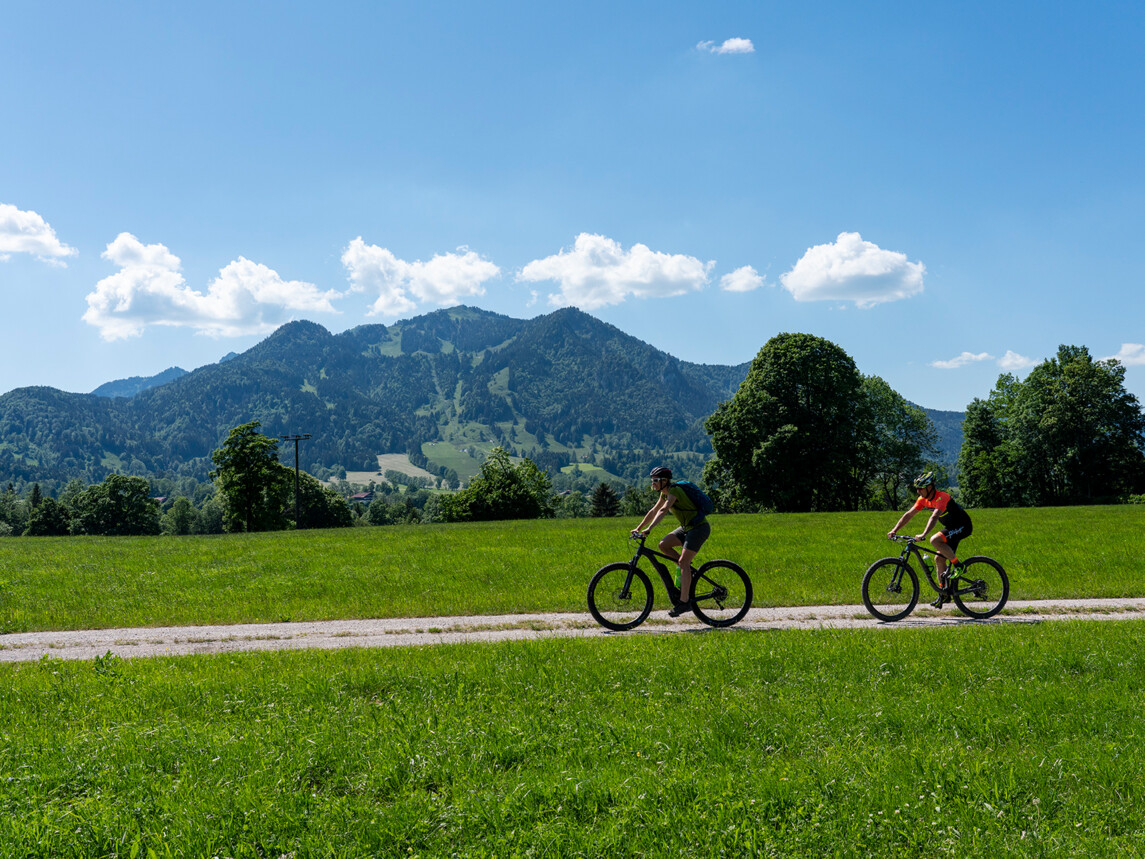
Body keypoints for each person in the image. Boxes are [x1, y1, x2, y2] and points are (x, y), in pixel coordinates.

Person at [631, 466, 711, 617]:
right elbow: (653, 511)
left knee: (684, 562)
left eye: (655, 480)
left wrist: (649, 529)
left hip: (698, 528)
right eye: (652, 480)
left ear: (664, 481)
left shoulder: (674, 491)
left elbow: (664, 510)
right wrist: (638, 528)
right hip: (686, 528)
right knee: (663, 545)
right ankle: (687, 572)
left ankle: (684, 602)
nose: (652, 483)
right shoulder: (664, 493)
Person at [887, 471, 974, 607]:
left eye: (920, 488)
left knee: (934, 540)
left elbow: (934, 517)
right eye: (917, 488)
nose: (918, 491)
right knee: (938, 559)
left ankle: (959, 566)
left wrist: (923, 534)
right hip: (951, 528)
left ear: (930, 487)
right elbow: (909, 514)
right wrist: (894, 530)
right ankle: (944, 594)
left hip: (963, 526)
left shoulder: (942, 497)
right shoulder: (923, 500)